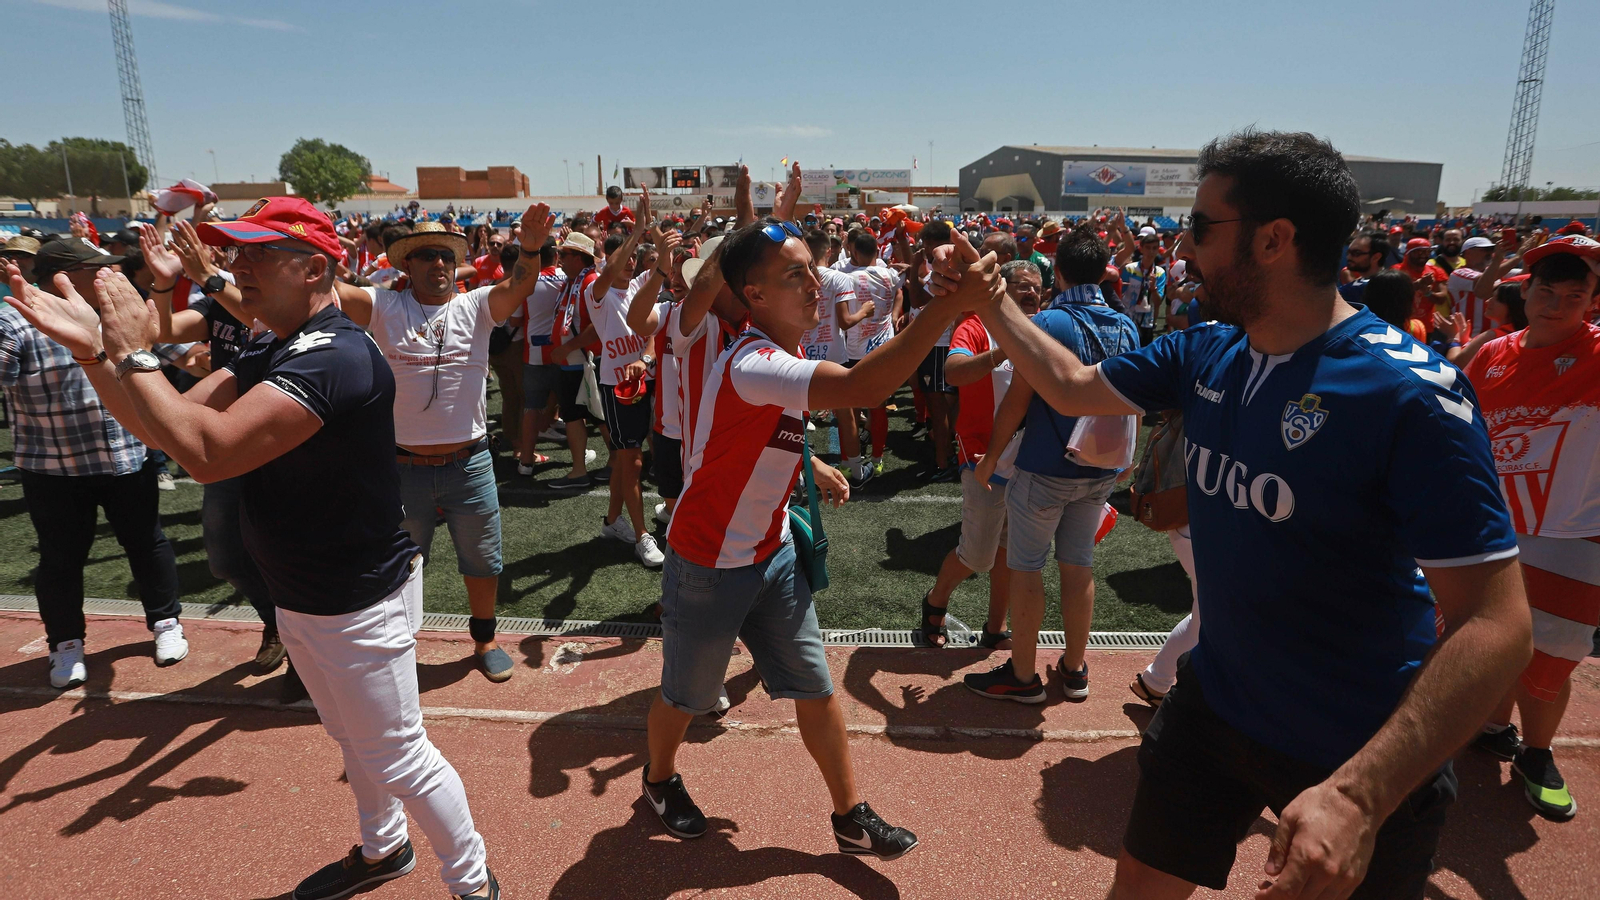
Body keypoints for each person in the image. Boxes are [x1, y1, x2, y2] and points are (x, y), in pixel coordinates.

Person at [932, 129, 1531, 898]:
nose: (1185, 247)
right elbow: (1072, 384)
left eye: (1203, 228)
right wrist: (994, 300)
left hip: (1360, 742)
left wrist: (1359, 795)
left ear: (1275, 240)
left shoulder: (1410, 394)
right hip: (1217, 705)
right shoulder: (1210, 350)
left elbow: (1498, 624)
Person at [5, 197, 501, 899]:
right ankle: (383, 848)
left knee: (401, 757)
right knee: (355, 742)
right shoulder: (275, 342)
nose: (235, 266)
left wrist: (129, 349)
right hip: (301, 590)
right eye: (234, 251)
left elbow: (208, 455)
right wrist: (93, 352)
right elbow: (165, 427)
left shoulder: (338, 354)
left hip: (358, 603)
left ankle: (474, 883)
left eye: (253, 253)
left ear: (313, 268)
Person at [641, 211, 991, 859]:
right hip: (708, 559)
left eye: (813, 268)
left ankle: (849, 816)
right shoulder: (754, 360)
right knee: (685, 696)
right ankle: (658, 777)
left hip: (770, 552)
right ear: (754, 296)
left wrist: (814, 464)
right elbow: (863, 385)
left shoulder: (787, 351)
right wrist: (948, 310)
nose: (815, 283)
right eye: (795, 274)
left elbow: (766, 431)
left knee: (816, 687)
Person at [331, 206, 554, 682]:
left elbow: (521, 285)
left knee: (483, 562)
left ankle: (485, 637)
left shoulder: (474, 307)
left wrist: (531, 247)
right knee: (399, 569)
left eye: (446, 257)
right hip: (401, 469)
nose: (438, 264)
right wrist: (322, 247)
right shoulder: (384, 306)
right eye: (427, 256)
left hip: (469, 464)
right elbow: (331, 292)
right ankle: (399, 645)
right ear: (405, 266)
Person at [964, 225, 1139, 703]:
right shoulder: (1126, 323)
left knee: (1026, 568)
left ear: (1056, 272)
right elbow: (1135, 396)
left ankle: (1022, 677)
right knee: (1078, 566)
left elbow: (1017, 402)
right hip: (1101, 468)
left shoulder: (1048, 323)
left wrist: (992, 459)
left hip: (1047, 467)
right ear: (1105, 269)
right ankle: (1075, 668)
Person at [1, 241, 187, 690]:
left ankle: (165, 623)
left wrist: (192, 357)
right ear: (65, 275)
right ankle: (65, 644)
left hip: (127, 457)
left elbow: (166, 351)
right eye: (97, 267)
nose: (110, 272)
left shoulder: (116, 310)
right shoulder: (16, 319)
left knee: (147, 543)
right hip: (53, 467)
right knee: (61, 560)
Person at [1464, 235, 1600, 822]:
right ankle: (1493, 728)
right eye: (1548, 289)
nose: (1559, 304)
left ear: (1592, 301)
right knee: (1479, 641)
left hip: (1574, 537)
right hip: (1488, 531)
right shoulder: (1491, 353)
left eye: (1577, 294)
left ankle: (1537, 753)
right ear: (1528, 290)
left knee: (1549, 666)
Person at [140, 222, 287, 677]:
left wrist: (209, 276)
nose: (232, 262)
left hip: (279, 441)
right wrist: (165, 282)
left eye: (242, 255)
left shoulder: (274, 305)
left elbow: (259, 321)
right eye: (227, 254)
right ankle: (276, 623)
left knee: (288, 551)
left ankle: (303, 647)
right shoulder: (213, 299)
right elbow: (162, 330)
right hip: (226, 440)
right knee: (224, 559)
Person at [916, 258, 1045, 650]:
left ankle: (995, 627)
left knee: (1011, 552)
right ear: (1002, 288)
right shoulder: (975, 326)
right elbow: (952, 372)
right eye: (1022, 285)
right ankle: (935, 601)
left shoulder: (1044, 326)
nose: (1031, 293)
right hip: (982, 457)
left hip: (1030, 461)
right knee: (978, 555)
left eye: (1037, 287)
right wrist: (997, 355)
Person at [584, 193, 666, 567]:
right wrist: (636, 232)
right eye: (626, 257)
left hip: (643, 382)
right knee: (631, 460)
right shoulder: (596, 292)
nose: (631, 263)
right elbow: (607, 270)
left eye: (635, 257)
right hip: (616, 388)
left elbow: (650, 326)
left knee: (623, 459)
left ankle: (612, 521)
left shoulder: (637, 288)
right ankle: (640, 535)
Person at [834, 229, 903, 487]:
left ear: (853, 251)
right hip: (883, 351)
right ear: (877, 251)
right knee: (879, 406)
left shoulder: (843, 277)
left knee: (849, 410)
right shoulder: (890, 274)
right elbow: (903, 283)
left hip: (853, 351)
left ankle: (847, 459)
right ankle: (877, 458)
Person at [1337, 230, 1389, 306]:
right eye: (1348, 252)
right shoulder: (1394, 282)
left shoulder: (1352, 290)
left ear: (1376, 257)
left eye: (1356, 253)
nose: (1349, 257)